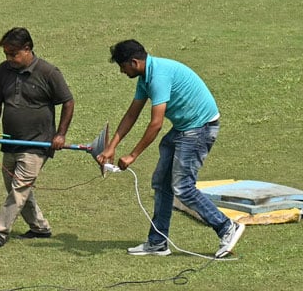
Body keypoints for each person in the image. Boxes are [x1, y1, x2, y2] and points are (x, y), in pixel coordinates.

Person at [96, 40, 244, 258]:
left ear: (134, 62)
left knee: (183, 187)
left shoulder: (159, 77)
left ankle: (226, 227)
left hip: (200, 128)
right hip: (184, 127)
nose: (121, 71)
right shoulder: (145, 76)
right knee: (162, 183)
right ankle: (157, 242)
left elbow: (155, 124)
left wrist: (133, 155)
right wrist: (111, 147)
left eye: (122, 66)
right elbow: (131, 114)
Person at [0, 27, 75, 247]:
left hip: (37, 143)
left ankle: (1, 231)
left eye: (13, 54)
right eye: (6, 54)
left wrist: (60, 134)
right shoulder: (3, 70)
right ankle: (40, 227)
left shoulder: (48, 72)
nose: (9, 59)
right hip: (11, 142)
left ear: (27, 49)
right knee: (14, 187)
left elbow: (68, 102)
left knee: (19, 188)